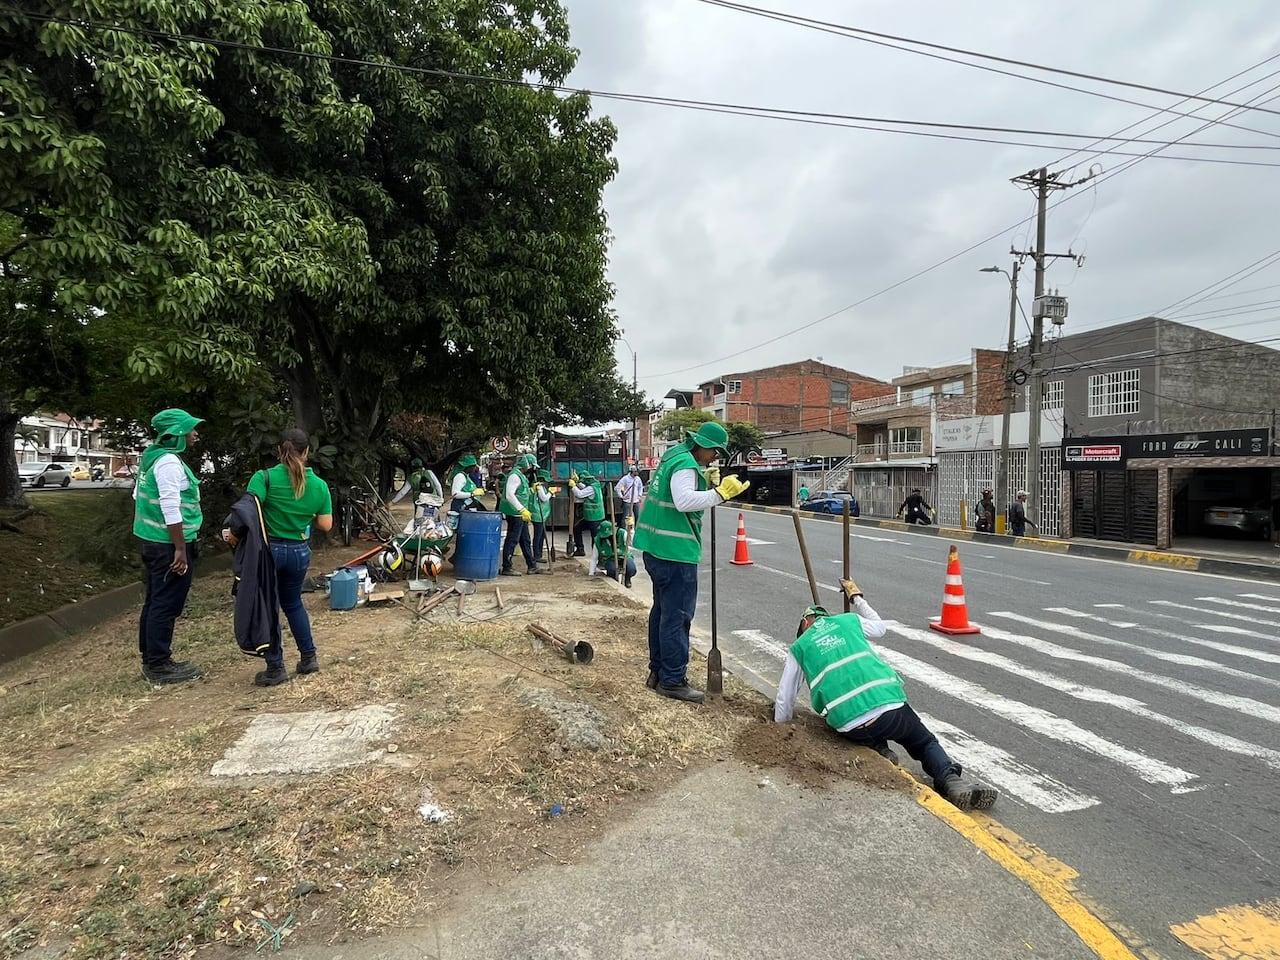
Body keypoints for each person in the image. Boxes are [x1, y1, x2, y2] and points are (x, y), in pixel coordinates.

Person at [775, 594, 998, 811]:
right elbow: (880, 627)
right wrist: (857, 599)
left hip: (850, 724)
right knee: (923, 743)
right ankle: (950, 779)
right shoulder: (848, 620)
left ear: (805, 623)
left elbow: (786, 696)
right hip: (890, 707)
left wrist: (780, 727)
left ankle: (879, 749)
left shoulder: (800, 646)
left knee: (859, 723)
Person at [633, 421, 750, 703]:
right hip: (675, 552)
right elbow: (684, 501)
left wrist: (704, 480)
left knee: (662, 613)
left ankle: (658, 673)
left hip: (656, 548)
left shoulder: (674, 456)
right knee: (677, 617)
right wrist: (719, 493)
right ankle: (672, 680)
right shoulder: (685, 464)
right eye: (716, 453)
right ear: (705, 446)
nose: (716, 458)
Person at [243, 429, 333, 686]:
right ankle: (308, 657)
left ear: (280, 451)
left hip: (268, 552)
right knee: (293, 603)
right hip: (298, 552)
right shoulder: (319, 486)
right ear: (307, 452)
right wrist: (303, 516)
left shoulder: (264, 478)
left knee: (269, 607)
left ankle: (275, 667)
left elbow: (249, 511)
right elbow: (326, 525)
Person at [133, 408, 205, 685]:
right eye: (190, 429)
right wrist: (179, 549)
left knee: (155, 601)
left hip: (152, 540)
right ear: (176, 434)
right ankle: (159, 665)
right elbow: (170, 507)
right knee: (166, 604)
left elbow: (138, 496)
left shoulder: (151, 459)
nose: (195, 433)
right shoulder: (169, 464)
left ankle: (152, 657)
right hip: (168, 546)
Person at [500, 453, 544, 577]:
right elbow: (510, 495)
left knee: (525, 540)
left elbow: (521, 493)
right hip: (515, 513)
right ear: (526, 463)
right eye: (531, 465)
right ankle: (507, 567)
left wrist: (531, 490)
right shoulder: (515, 476)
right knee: (512, 539)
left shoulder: (521, 476)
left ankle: (532, 565)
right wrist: (521, 510)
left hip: (520, 514)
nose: (531, 468)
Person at [590, 519, 636, 588]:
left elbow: (631, 542)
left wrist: (631, 530)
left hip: (624, 556)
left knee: (631, 569)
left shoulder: (621, 533)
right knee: (612, 569)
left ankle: (627, 579)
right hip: (610, 559)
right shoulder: (598, 540)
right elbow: (594, 558)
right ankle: (614, 580)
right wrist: (591, 573)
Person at [570, 470, 605, 557]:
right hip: (590, 516)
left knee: (595, 537)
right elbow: (584, 487)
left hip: (595, 517)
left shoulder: (592, 488)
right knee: (577, 528)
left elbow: (580, 494)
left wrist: (573, 486)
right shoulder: (594, 486)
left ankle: (597, 556)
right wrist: (577, 482)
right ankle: (580, 549)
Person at [529, 468, 555, 563]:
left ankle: (538, 554)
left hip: (541, 515)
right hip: (538, 514)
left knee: (541, 535)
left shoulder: (540, 486)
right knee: (538, 536)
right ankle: (537, 555)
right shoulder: (538, 487)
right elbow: (543, 498)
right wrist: (551, 493)